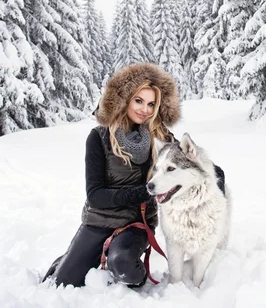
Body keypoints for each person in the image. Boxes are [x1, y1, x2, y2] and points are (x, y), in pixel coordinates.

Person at [43, 62, 181, 288]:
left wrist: (213, 173)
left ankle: (113, 254)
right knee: (63, 282)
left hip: (136, 223)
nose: (144, 109)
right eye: (138, 101)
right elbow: (95, 195)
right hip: (99, 219)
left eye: (151, 104)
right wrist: (143, 192)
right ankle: (77, 256)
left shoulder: (161, 137)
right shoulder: (99, 138)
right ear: (124, 100)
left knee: (127, 269)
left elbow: (188, 164)